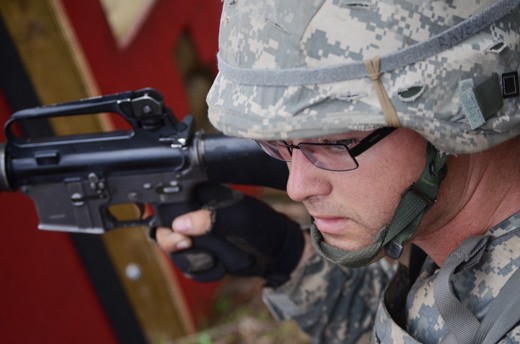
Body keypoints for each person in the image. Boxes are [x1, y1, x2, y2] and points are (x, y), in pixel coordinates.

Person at [156, 0, 520, 342]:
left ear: (452, 109)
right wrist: (286, 255)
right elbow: (427, 319)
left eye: (332, 143)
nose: (296, 187)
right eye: (278, 145)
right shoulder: (455, 241)